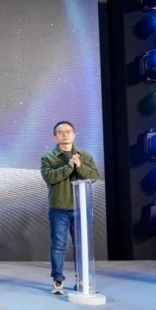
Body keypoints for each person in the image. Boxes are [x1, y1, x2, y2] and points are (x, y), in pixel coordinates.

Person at [40, 120, 99, 295]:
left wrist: (80, 166)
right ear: (55, 136)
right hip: (59, 208)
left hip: (81, 207)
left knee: (81, 246)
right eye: (61, 132)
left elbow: (94, 176)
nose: (65, 134)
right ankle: (58, 280)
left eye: (68, 131)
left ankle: (82, 280)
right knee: (59, 245)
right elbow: (49, 177)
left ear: (74, 134)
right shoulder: (48, 157)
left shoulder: (84, 156)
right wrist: (69, 167)